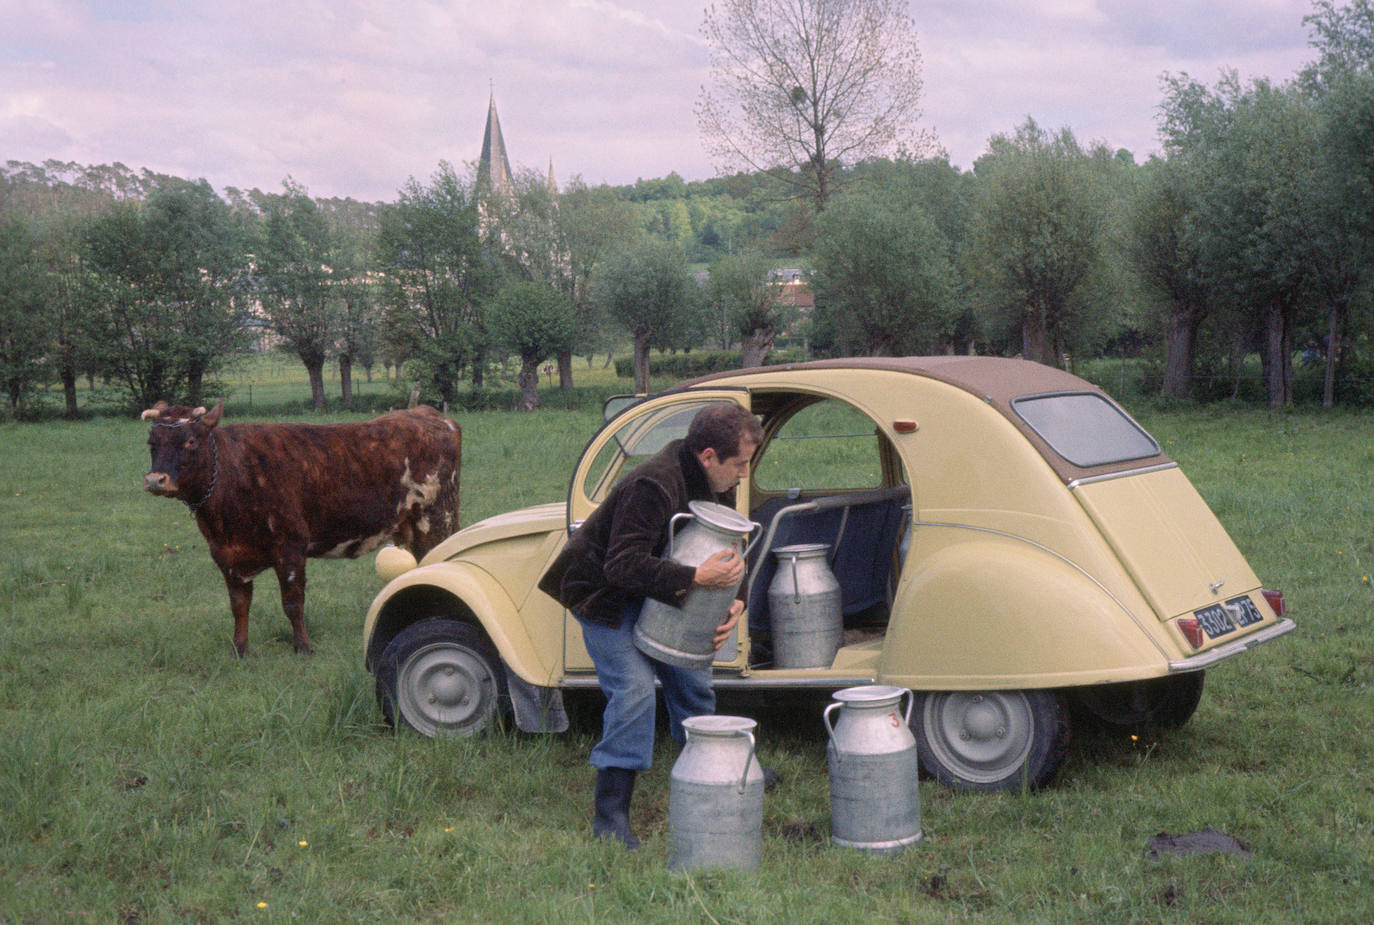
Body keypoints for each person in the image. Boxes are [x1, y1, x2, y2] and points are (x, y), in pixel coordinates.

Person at [538, 402, 764, 850]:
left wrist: (735, 602)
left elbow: (729, 545)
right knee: (635, 692)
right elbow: (620, 565)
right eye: (738, 464)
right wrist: (696, 579)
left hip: (655, 589)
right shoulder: (653, 484)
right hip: (604, 594)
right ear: (707, 457)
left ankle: (708, 771)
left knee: (691, 676)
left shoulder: (716, 481)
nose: (743, 474)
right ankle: (611, 813)